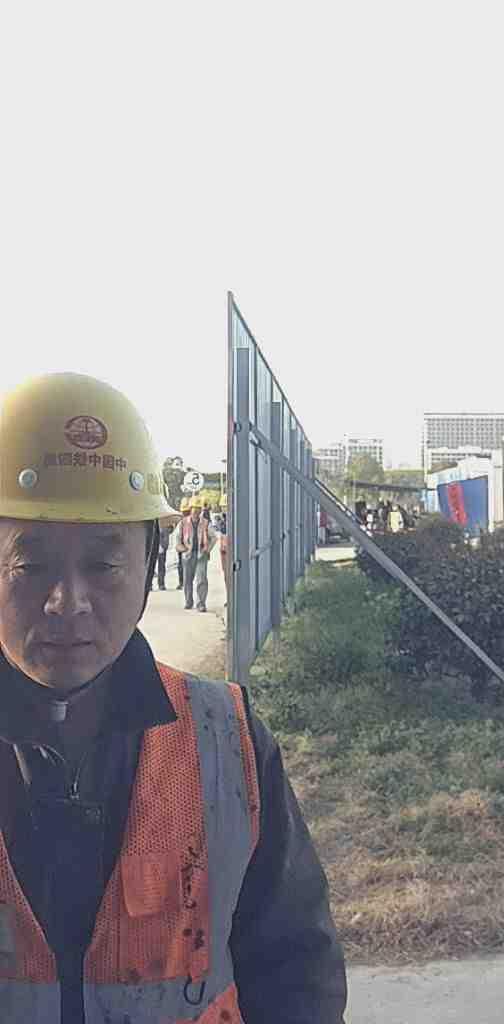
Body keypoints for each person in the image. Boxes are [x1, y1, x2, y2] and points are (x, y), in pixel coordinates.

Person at [0, 372, 347, 1024]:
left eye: (103, 564)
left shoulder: (226, 742)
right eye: (31, 564)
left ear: (149, 560)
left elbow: (295, 972)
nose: (67, 603)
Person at [176, 497, 218, 612]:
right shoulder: (183, 523)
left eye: (198, 509)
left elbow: (214, 537)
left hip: (201, 555)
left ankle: (201, 604)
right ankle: (188, 601)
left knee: (201, 579)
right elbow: (178, 539)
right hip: (188, 555)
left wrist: (207, 549)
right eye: (194, 509)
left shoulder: (205, 523)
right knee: (187, 580)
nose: (196, 512)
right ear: (190, 509)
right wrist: (182, 549)